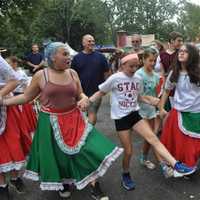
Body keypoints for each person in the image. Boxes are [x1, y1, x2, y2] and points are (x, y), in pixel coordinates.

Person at [0, 42, 123, 200]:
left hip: (74, 118)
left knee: (86, 150)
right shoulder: (41, 75)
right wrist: (3, 102)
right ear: (52, 57)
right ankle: (64, 183)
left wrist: (84, 99)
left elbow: (80, 94)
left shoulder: (72, 73)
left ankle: (94, 185)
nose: (69, 56)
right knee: (59, 157)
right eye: (64, 54)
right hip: (50, 122)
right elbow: (26, 97)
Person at [89, 53, 196, 191]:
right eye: (131, 66)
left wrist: (150, 100)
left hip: (134, 114)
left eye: (136, 66)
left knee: (153, 138)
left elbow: (138, 97)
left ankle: (176, 164)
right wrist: (87, 100)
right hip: (121, 119)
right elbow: (101, 92)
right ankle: (126, 174)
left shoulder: (137, 79)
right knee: (128, 151)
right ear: (122, 65)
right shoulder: (115, 78)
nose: (134, 69)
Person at [159, 43, 200, 172]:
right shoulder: (174, 72)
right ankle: (183, 165)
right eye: (180, 51)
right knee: (179, 142)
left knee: (193, 143)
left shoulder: (198, 72)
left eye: (185, 52)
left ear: (192, 55)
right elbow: (166, 90)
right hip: (178, 112)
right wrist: (161, 108)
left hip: (195, 113)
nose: (181, 53)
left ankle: (190, 164)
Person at [0, 55, 31, 200]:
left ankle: (14, 178)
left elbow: (13, 80)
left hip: (3, 105)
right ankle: (2, 186)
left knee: (10, 146)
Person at [71, 34, 111, 125]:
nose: (92, 43)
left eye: (93, 41)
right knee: (83, 114)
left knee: (92, 112)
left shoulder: (101, 57)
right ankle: (84, 133)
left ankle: (88, 133)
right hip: (81, 93)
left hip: (96, 92)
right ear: (83, 43)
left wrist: (104, 88)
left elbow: (107, 73)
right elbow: (73, 75)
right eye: (89, 41)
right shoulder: (77, 58)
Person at [135, 48, 160, 170]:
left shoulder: (155, 75)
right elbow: (136, 96)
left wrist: (159, 108)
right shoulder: (138, 75)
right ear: (143, 60)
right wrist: (149, 99)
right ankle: (162, 163)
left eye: (155, 60)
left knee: (151, 137)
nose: (153, 63)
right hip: (140, 110)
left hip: (151, 111)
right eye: (150, 60)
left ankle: (144, 158)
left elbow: (155, 94)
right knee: (150, 136)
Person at [7, 56, 37, 137]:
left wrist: (28, 97)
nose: (7, 65)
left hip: (20, 97)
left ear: (15, 64)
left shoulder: (21, 73)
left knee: (24, 120)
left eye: (9, 63)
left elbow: (26, 86)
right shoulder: (7, 73)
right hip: (11, 97)